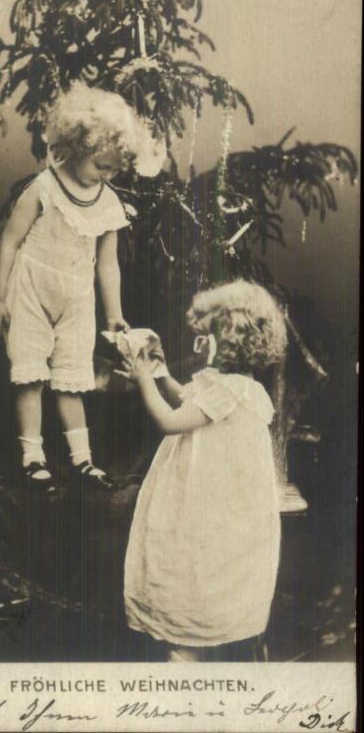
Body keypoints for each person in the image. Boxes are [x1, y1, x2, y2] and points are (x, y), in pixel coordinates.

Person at [0, 82, 163, 493]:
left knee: (72, 377)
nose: (109, 175)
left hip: (77, 296)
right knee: (29, 376)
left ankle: (82, 460)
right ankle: (33, 457)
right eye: (102, 166)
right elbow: (9, 240)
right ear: (79, 146)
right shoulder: (43, 188)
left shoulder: (109, 203)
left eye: (116, 170)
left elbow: (108, 264)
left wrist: (115, 312)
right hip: (31, 287)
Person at [121, 279, 287, 661]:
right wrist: (161, 374)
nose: (200, 344)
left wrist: (144, 379)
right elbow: (189, 401)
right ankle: (194, 649)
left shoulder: (229, 390)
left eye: (206, 337)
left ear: (228, 341)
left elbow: (171, 420)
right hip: (219, 500)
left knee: (191, 576)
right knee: (200, 579)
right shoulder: (240, 388)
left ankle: (184, 662)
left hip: (206, 502)